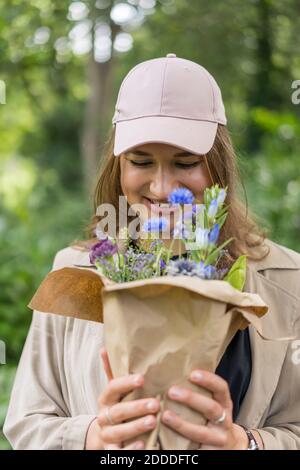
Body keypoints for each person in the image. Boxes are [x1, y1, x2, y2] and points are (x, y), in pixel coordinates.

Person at [3, 54, 300, 450]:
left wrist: (246, 444)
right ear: (118, 167)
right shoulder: (74, 270)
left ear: (219, 168)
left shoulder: (287, 278)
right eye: (141, 161)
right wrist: (91, 436)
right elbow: (27, 422)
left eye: (186, 163)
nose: (161, 188)